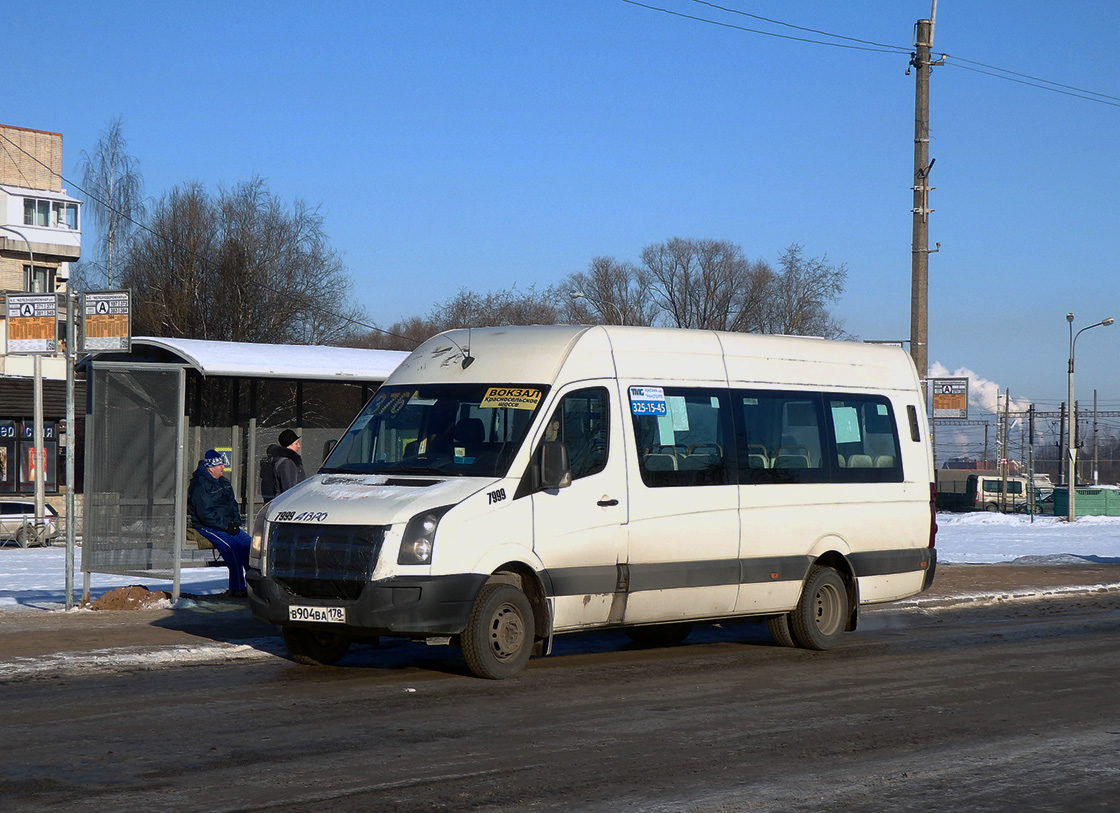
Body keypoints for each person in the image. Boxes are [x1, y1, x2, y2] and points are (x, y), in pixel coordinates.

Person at [188, 450, 251, 597]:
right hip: (208, 526)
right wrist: (226, 526)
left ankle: (256, 587)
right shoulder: (199, 485)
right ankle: (237, 588)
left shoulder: (224, 482)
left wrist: (235, 522)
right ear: (211, 467)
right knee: (232, 548)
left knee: (251, 546)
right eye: (220, 465)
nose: (223, 468)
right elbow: (205, 513)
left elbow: (233, 505)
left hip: (228, 525)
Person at [267, 429, 306, 495]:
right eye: (296, 443)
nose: (299, 446)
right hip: (292, 502)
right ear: (289, 445)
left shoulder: (284, 460)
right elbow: (289, 489)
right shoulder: (287, 463)